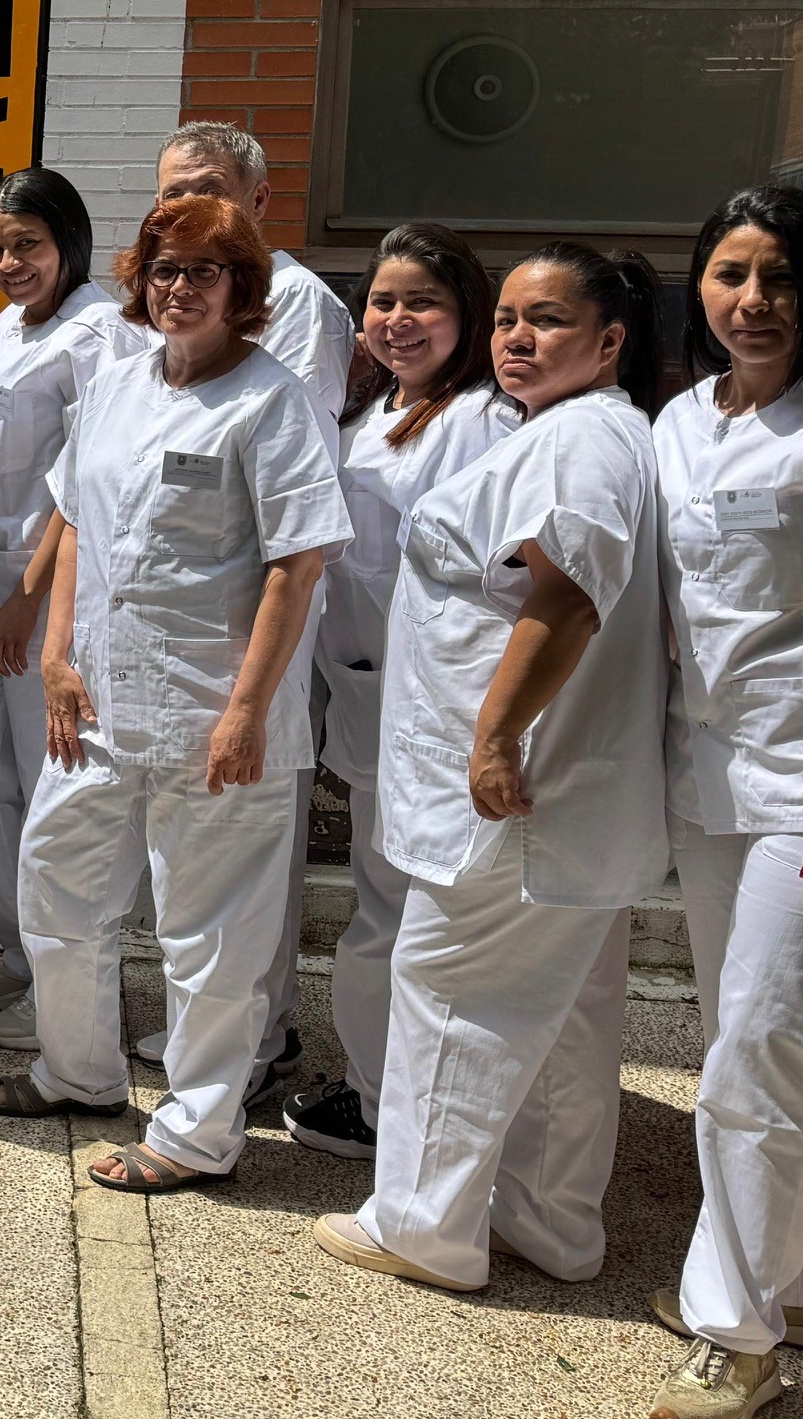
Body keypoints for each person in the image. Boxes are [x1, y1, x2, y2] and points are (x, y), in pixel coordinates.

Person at [314, 243, 667, 1293]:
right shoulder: (583, 430)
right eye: (509, 318)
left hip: (516, 793)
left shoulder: (580, 441)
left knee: (450, 989)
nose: (518, 337)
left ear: (609, 340)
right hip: (560, 796)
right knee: (560, 1017)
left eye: (547, 320)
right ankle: (548, 1222)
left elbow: (569, 597)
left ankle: (421, 1226)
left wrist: (495, 736)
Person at [0, 194, 350, 1197]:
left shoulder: (269, 402)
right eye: (163, 269)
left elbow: (297, 564)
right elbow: (74, 522)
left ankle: (197, 1133)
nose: (179, 287)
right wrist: (55, 656)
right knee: (55, 887)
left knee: (210, 937)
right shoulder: (117, 382)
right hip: (95, 704)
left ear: (242, 288)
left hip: (212, 718)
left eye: (202, 271)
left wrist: (246, 710)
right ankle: (77, 1071)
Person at [643, 186, 803, 1419]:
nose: (752, 300)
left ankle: (736, 1336)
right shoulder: (678, 419)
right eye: (729, 274)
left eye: (780, 277)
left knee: (757, 1054)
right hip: (704, 778)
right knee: (765, 1036)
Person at [282, 223, 512, 1161]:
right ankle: (385, 1093)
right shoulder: (372, 410)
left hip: (439, 708)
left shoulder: (484, 421)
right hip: (372, 695)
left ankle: (394, 1111)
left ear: (468, 313)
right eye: (383, 301)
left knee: (412, 916)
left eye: (424, 302)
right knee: (384, 904)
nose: (398, 319)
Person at [141, 121, 356, 1090]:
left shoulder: (294, 303)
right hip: (182, 615)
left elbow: (277, 472)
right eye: (171, 192)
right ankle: (218, 1035)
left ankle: (259, 1043)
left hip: (255, 604)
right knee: (198, 852)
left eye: (210, 187)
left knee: (246, 840)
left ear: (259, 200)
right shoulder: (171, 297)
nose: (188, 206)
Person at [0, 167, 136, 1039]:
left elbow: (87, 481)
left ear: (70, 243)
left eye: (28, 244)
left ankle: (74, 999)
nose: (9, 261)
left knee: (54, 797)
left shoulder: (98, 334)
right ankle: (28, 962)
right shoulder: (0, 330)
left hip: (45, 604)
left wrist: (28, 601)